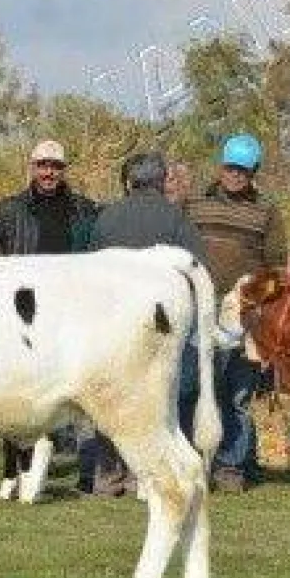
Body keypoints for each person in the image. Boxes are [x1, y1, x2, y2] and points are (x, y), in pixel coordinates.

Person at [0, 138, 99, 494]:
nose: (49, 172)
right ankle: (16, 470)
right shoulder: (11, 210)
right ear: (32, 167)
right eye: (43, 165)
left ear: (63, 170)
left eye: (55, 166)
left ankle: (86, 470)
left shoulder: (84, 210)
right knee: (19, 389)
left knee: (78, 388)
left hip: (71, 311)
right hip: (23, 315)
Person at [85, 151, 209, 496]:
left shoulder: (107, 217)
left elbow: (91, 273)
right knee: (155, 400)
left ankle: (108, 478)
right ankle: (146, 477)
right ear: (160, 181)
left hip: (111, 326)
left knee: (108, 399)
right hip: (158, 328)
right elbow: (196, 267)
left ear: (129, 181)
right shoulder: (174, 218)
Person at [186, 133, 288, 492]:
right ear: (221, 166)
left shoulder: (267, 210)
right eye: (231, 168)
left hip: (245, 317)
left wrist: (262, 309)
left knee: (238, 394)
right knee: (195, 388)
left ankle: (231, 467)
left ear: (254, 171)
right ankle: (192, 461)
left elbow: (276, 268)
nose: (236, 176)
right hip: (197, 309)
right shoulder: (194, 203)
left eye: (243, 171)